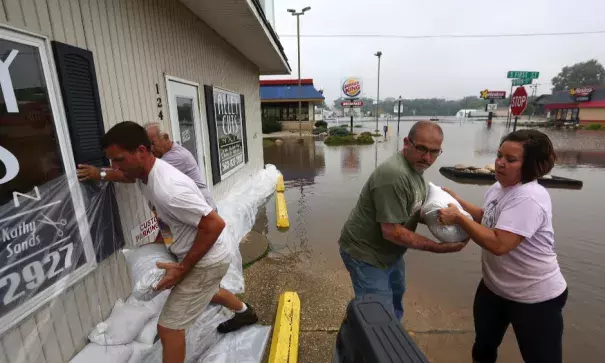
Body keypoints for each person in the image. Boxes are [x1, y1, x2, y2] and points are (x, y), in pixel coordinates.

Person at [100, 122, 256, 362]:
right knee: (207, 291)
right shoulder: (144, 175)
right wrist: (99, 174)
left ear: (141, 151)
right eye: (111, 161)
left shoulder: (168, 188)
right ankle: (244, 312)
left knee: (169, 328)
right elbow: (163, 213)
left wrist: (183, 268)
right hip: (199, 255)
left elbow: (214, 224)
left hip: (208, 260)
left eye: (119, 160)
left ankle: (242, 311)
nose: (115, 167)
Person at [438, 129, 567, 363]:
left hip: (534, 298)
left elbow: (499, 243)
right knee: (483, 349)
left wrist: (458, 218)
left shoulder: (529, 197)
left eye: (510, 159)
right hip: (494, 289)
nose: (499, 163)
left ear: (531, 165)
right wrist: (457, 202)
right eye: (499, 155)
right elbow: (488, 218)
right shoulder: (500, 187)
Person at [338, 121, 467, 321]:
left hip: (391, 253)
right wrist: (438, 247)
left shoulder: (415, 171)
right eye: (421, 149)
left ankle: (388, 340)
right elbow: (391, 231)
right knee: (377, 317)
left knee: (395, 301)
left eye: (434, 152)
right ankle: (360, 345)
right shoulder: (394, 175)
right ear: (407, 142)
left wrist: (454, 221)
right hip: (365, 254)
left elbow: (414, 211)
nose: (426, 158)